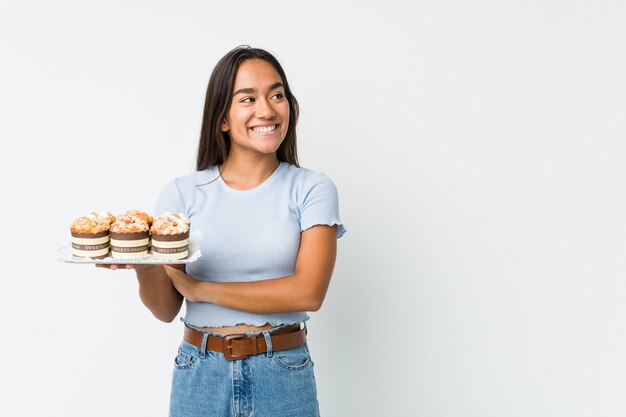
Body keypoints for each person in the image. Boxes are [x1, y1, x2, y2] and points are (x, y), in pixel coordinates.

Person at [97, 45, 346, 417]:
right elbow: (166, 309)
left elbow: (308, 292)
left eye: (277, 95)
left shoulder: (311, 188)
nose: (267, 109)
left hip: (281, 372)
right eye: (248, 98)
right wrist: (145, 267)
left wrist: (201, 290)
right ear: (222, 119)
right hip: (199, 372)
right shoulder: (182, 192)